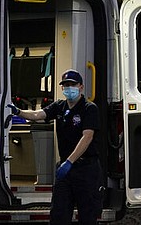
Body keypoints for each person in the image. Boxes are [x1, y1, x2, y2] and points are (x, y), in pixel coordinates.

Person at [8, 69, 101, 225]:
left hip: (86, 169)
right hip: (65, 170)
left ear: (81, 87)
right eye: (65, 85)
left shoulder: (89, 108)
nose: (68, 88)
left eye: (72, 85)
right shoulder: (59, 106)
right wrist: (18, 112)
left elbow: (87, 137)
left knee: (87, 215)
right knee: (59, 213)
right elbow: (38, 115)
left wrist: (70, 162)